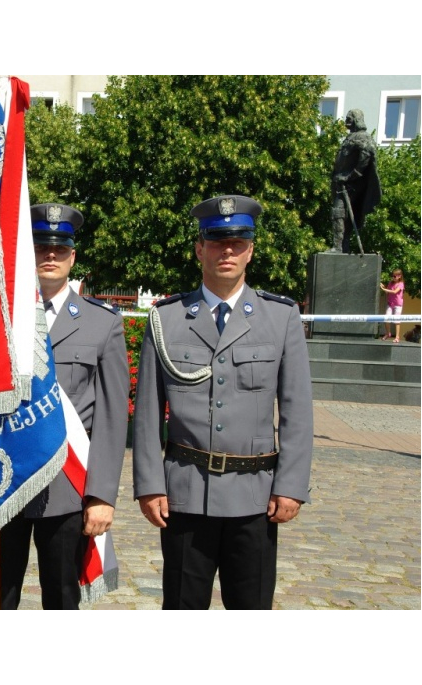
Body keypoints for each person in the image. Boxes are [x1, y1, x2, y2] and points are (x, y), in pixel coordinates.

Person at [132, 194, 313, 610]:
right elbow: (146, 414)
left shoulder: (280, 317)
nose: (226, 251)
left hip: (255, 498)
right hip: (184, 495)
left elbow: (297, 411)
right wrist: (149, 485)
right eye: (216, 241)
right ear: (199, 248)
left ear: (250, 250)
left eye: (237, 242)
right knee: (181, 607)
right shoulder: (167, 318)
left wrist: (290, 486)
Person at [0, 202, 129, 609]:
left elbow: (113, 420)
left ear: (72, 256)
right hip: (2, 480)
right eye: (41, 246)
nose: (49, 256)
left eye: (59, 249)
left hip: (67, 489)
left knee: (61, 600)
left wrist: (102, 495)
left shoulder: (103, 323)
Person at [330, 108, 382, 253]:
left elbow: (366, 155)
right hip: (339, 183)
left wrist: (350, 176)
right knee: (341, 215)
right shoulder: (350, 137)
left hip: (350, 185)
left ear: (356, 119)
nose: (347, 121)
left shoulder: (362, 137)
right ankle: (342, 247)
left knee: (338, 212)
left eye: (349, 118)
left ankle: (338, 246)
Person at [380, 269, 405, 342]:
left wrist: (384, 289)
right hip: (390, 303)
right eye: (392, 276)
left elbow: (394, 292)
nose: (393, 277)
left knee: (397, 320)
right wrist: (384, 287)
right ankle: (388, 333)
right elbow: (388, 292)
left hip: (398, 304)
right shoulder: (391, 283)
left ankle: (397, 337)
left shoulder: (401, 284)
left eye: (394, 276)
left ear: (399, 276)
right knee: (386, 319)